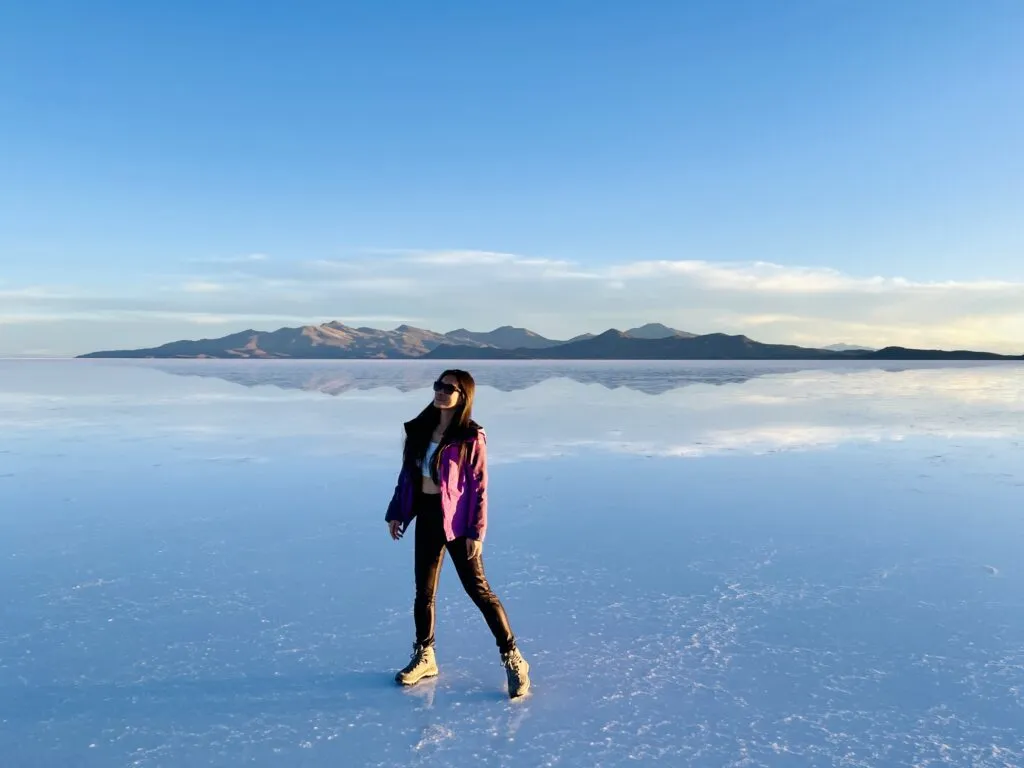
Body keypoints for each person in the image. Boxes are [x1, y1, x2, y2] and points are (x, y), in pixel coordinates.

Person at [384, 369, 531, 699]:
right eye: (438, 385)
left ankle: (514, 658)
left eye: (449, 388)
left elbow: (479, 489)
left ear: (463, 395)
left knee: (479, 591)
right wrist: (397, 511)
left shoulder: (470, 437)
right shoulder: (421, 429)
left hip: (459, 522)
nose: (441, 391)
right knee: (424, 591)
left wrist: (476, 531)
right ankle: (425, 655)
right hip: (427, 516)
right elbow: (407, 475)